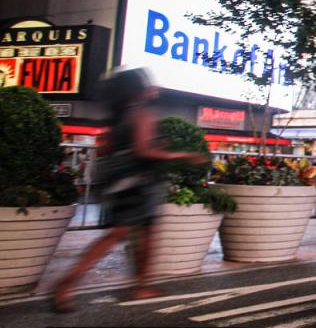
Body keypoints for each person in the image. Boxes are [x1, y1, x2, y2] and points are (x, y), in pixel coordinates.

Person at [52, 69, 208, 312]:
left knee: (137, 234)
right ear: (139, 90)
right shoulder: (142, 113)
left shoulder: (119, 116)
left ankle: (141, 285)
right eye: (149, 84)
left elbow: (107, 151)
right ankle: (70, 281)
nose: (154, 88)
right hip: (138, 184)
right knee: (125, 235)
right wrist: (183, 154)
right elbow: (143, 151)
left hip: (118, 183)